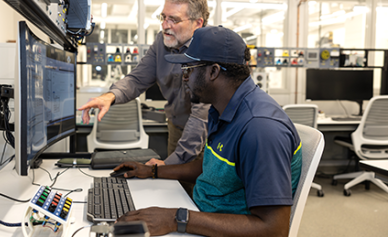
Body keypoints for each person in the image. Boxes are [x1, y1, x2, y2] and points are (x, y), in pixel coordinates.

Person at [114, 26, 303, 237]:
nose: (184, 78)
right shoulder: (221, 108)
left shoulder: (260, 129)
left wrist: (175, 218)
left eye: (189, 69)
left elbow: (274, 230)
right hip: (200, 214)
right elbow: (212, 170)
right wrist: (153, 171)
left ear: (213, 72)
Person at [78, 0, 211, 166]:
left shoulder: (209, 51)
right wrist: (109, 97)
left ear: (197, 23)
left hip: (210, 134)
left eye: (174, 19)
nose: (165, 25)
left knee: (198, 189)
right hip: (176, 126)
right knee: (175, 187)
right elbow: (137, 79)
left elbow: (200, 116)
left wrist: (167, 165)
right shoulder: (161, 43)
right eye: (163, 17)